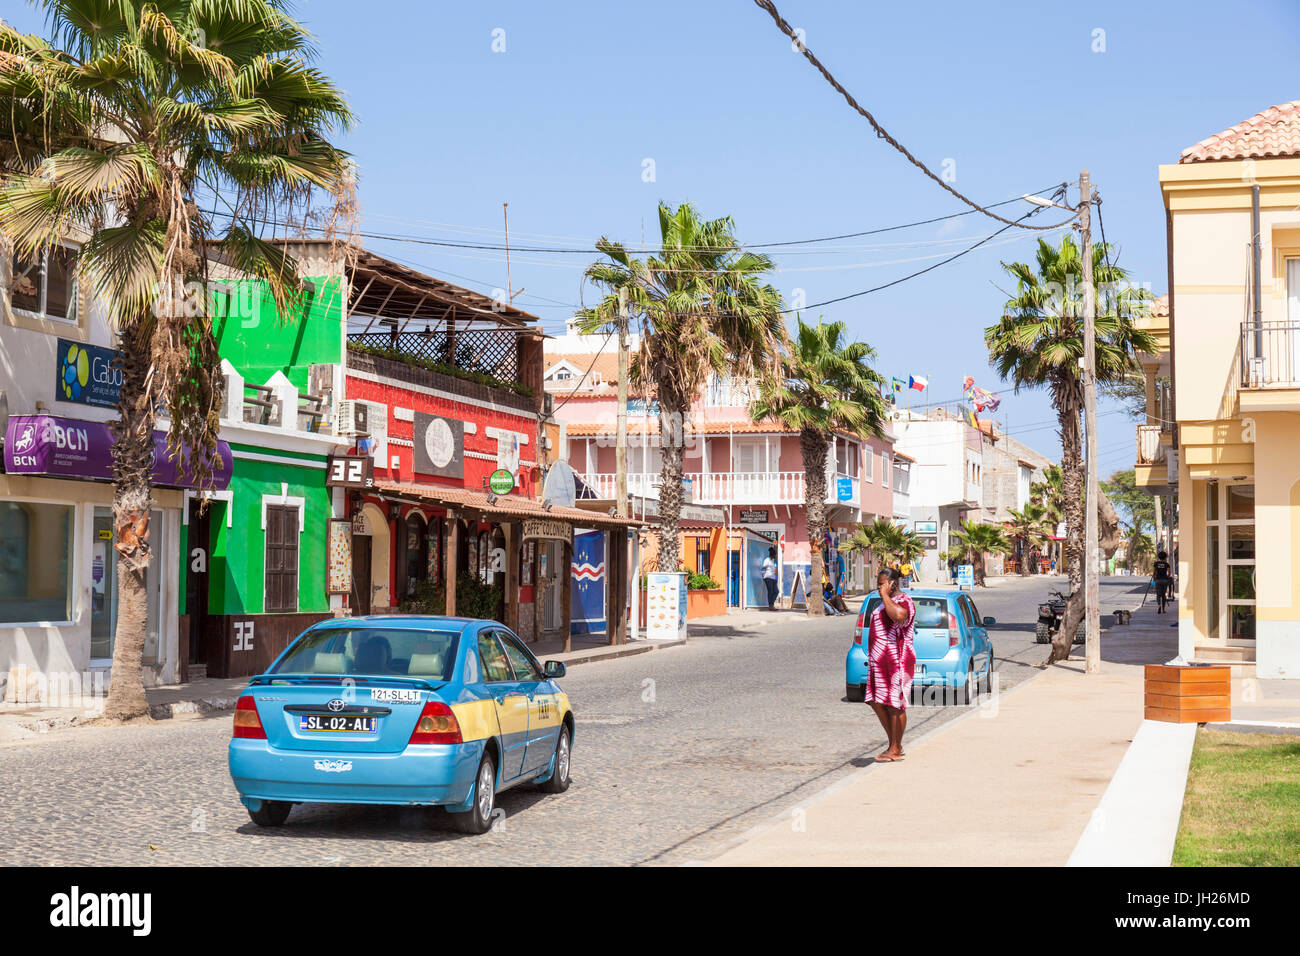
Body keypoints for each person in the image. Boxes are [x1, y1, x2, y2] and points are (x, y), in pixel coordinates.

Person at [864, 567, 916, 762]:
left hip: (897, 661)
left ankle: (895, 747)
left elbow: (899, 616)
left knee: (896, 705)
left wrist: (885, 596)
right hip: (879, 662)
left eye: (882, 584)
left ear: (893, 583)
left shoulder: (904, 601)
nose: (879, 587)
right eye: (878, 584)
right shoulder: (882, 603)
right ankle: (894, 743)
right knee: (875, 700)